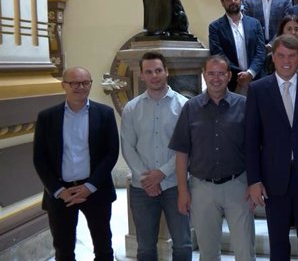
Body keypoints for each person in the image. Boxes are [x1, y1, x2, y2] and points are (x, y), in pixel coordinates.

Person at [245, 35, 298, 261]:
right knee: (278, 242)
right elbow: (251, 139)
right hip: (273, 179)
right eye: (281, 55)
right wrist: (254, 180)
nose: (286, 60)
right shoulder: (258, 89)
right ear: (273, 57)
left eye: (292, 56)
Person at [169, 56, 255, 261]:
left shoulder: (244, 105)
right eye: (211, 73)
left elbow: (254, 149)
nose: (216, 78)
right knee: (207, 253)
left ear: (229, 76)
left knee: (245, 251)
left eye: (221, 73)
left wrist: (254, 183)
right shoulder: (190, 108)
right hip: (202, 189)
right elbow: (181, 153)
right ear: (204, 75)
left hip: (239, 186)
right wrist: (182, 190)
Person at [33, 67, 119, 261]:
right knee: (63, 251)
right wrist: (57, 190)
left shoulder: (105, 113)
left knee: (104, 248)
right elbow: (40, 158)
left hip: (95, 190)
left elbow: (111, 153)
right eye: (74, 83)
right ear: (64, 85)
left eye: (85, 83)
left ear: (90, 84)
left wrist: (89, 187)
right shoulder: (47, 117)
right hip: (61, 194)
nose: (80, 87)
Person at [120, 52, 192, 261]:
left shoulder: (184, 105)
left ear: (167, 72)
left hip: (175, 185)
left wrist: (161, 173)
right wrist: (147, 179)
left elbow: (187, 148)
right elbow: (128, 147)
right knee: (145, 247)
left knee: (182, 244)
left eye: (158, 70)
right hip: (142, 188)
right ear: (141, 75)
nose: (154, 76)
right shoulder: (132, 108)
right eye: (149, 72)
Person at [209, 0, 266, 94]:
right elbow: (217, 54)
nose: (233, 1)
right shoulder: (215, 27)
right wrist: (240, 74)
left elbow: (261, 51)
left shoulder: (255, 23)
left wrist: (250, 73)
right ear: (222, 2)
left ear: (241, 0)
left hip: (256, 79)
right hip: (231, 82)